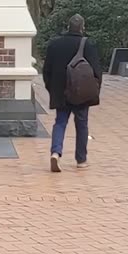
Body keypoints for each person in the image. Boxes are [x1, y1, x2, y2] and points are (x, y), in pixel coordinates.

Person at [42, 14, 102, 172]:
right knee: (82, 124)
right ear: (82, 27)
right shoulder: (87, 45)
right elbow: (96, 71)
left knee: (60, 122)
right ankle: (81, 160)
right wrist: (94, 90)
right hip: (81, 93)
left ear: (68, 27)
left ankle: (55, 152)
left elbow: (46, 70)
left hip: (61, 92)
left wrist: (51, 89)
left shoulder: (54, 45)